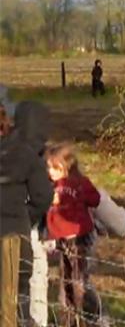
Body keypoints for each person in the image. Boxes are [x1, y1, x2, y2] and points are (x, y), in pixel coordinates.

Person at [0, 101, 53, 327]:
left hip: (14, 237)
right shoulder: (26, 154)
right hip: (16, 237)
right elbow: (43, 196)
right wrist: (25, 216)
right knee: (19, 305)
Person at [45, 143, 101, 327]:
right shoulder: (49, 186)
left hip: (80, 240)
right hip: (62, 241)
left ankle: (91, 318)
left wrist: (81, 195)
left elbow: (95, 199)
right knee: (66, 282)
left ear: (67, 165)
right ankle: (68, 320)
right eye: (48, 167)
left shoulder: (79, 182)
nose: (51, 171)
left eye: (55, 167)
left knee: (80, 283)